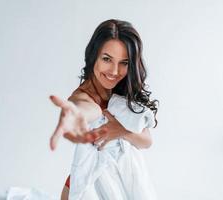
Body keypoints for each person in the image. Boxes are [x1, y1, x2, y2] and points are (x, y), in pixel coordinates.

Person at [49, 19, 159, 200]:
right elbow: (87, 109)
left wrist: (120, 130)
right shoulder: (84, 96)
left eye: (123, 62)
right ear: (94, 57)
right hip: (86, 188)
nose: (115, 71)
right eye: (107, 59)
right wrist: (74, 114)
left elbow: (146, 141)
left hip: (122, 188)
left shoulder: (123, 92)